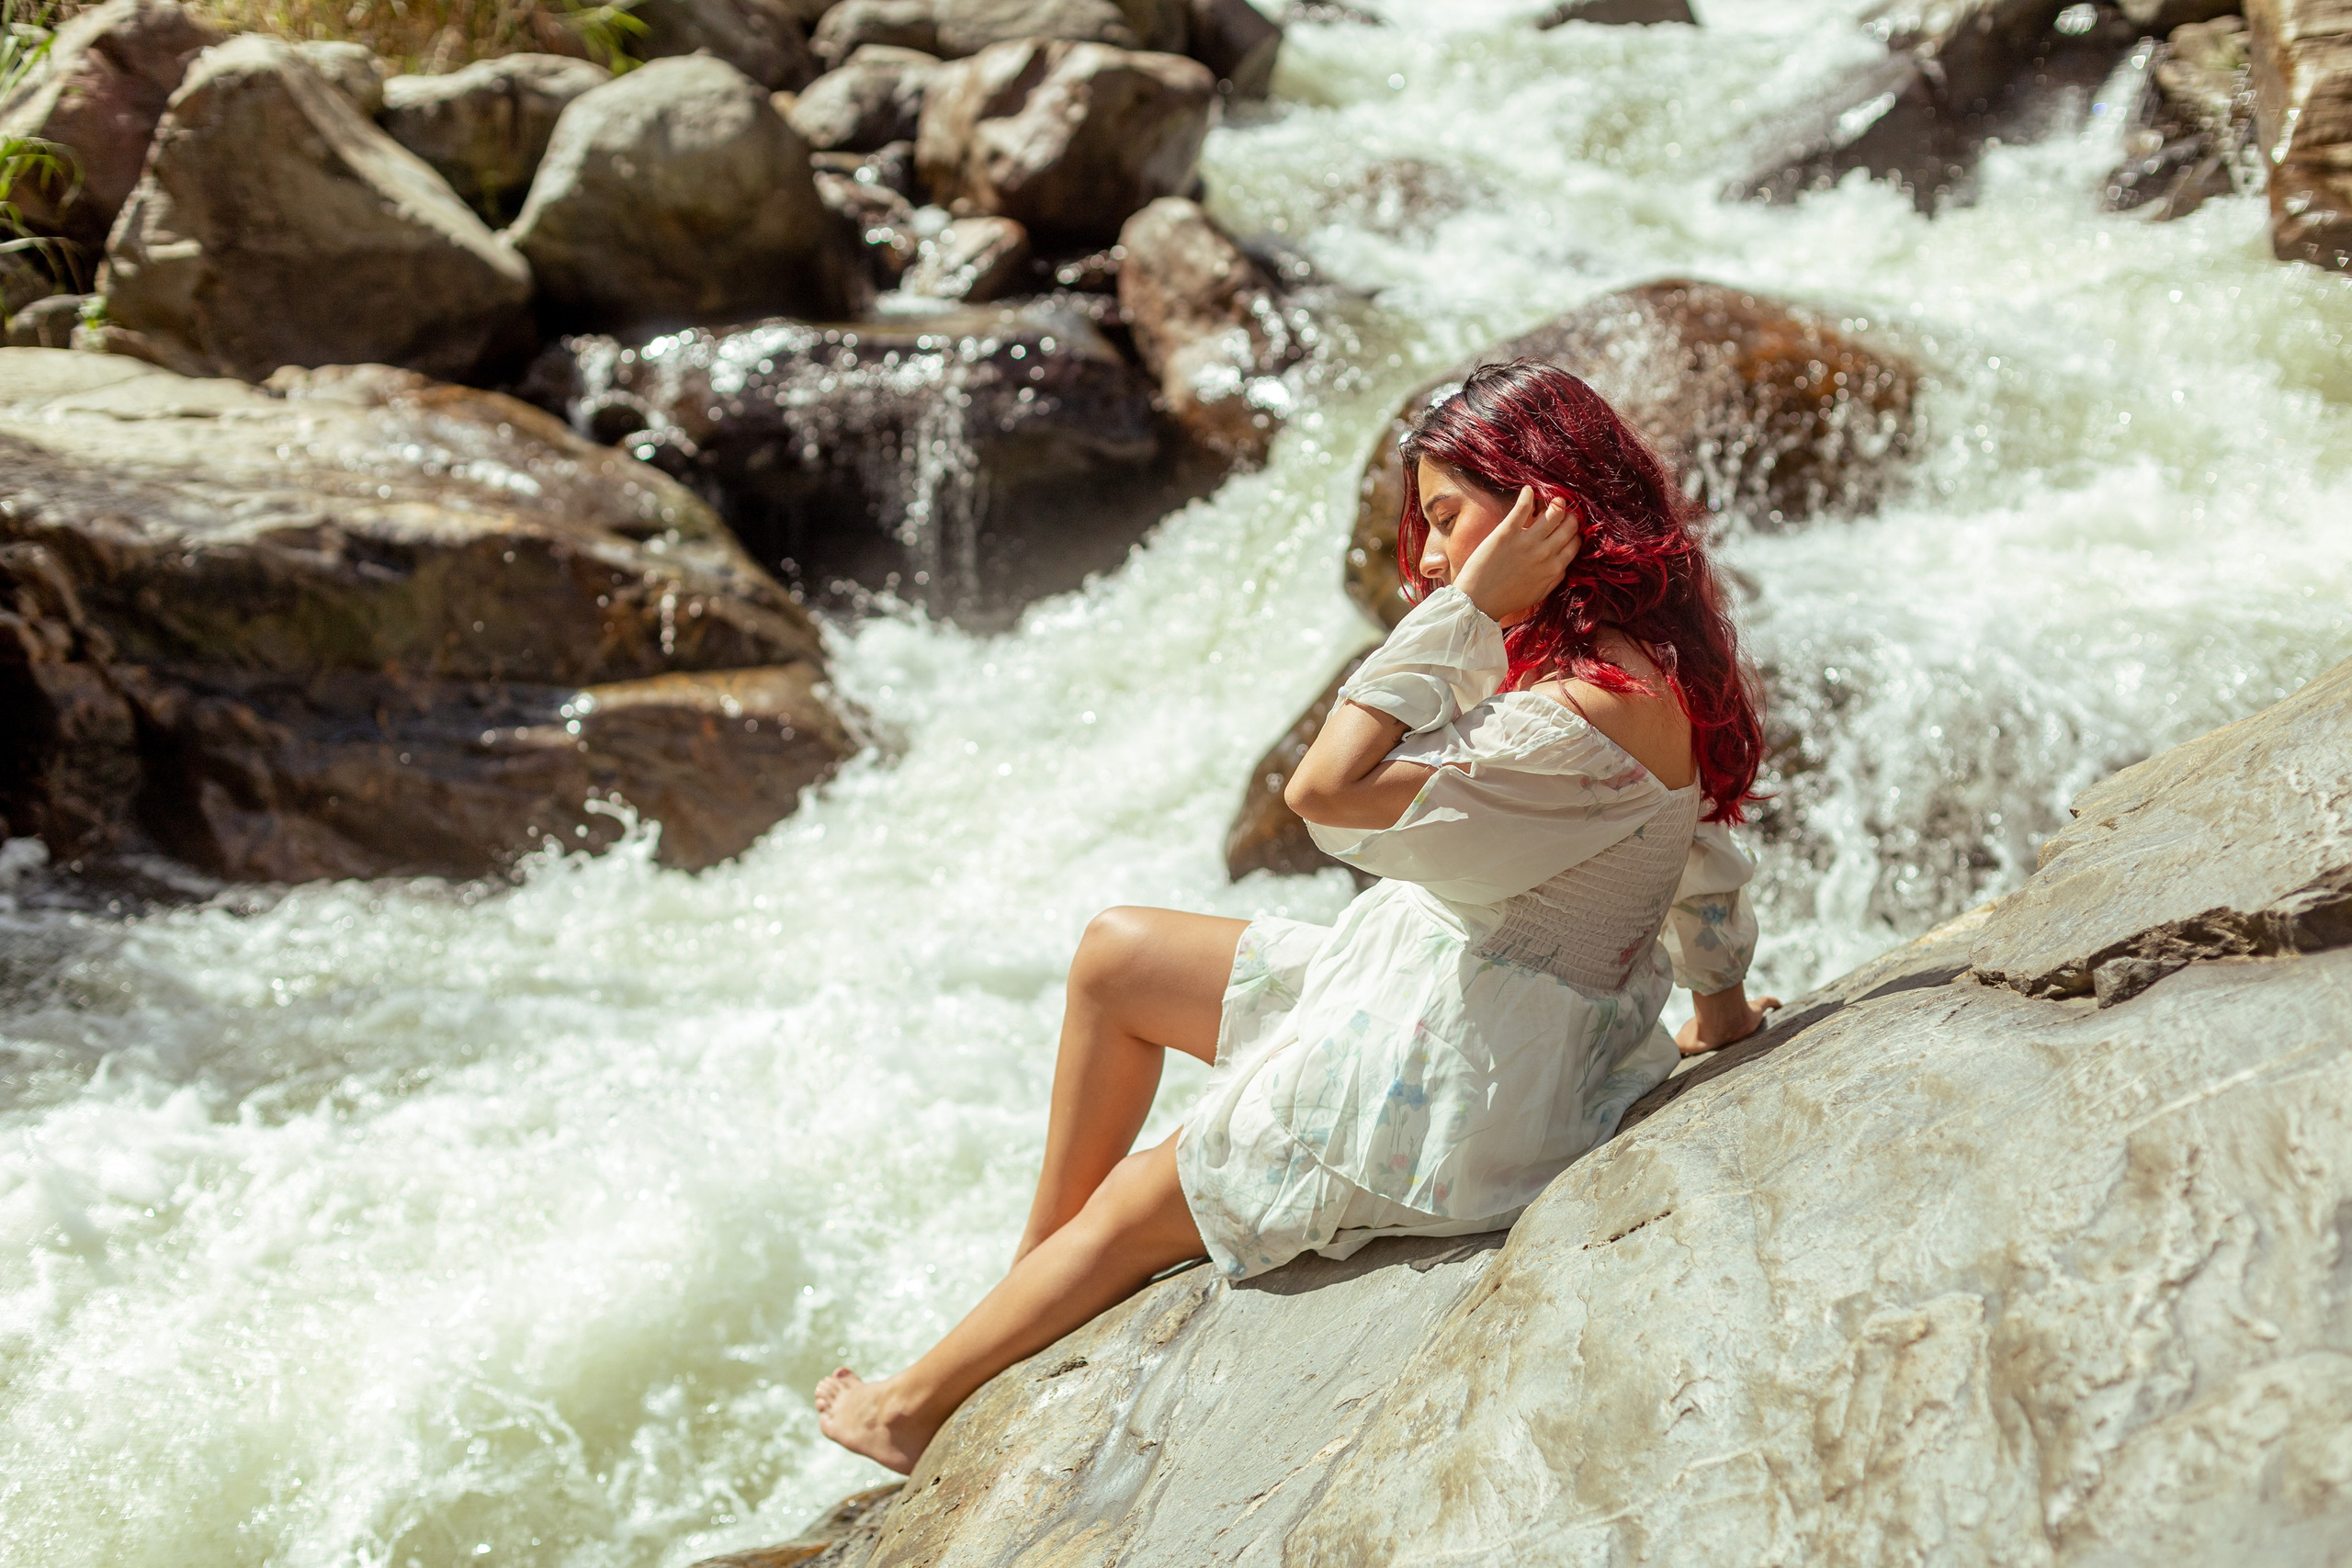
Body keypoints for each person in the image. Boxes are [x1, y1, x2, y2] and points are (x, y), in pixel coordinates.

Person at [815, 358, 1780, 1473]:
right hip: (1437, 979)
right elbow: (1702, 851)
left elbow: (1321, 792)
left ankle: (908, 1411)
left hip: (1479, 1076)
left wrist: (1468, 610)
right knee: (1115, 955)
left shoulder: (1578, 715)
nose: (1423, 560)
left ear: (1540, 507)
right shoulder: (1631, 657)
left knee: (1148, 1189)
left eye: (1445, 521)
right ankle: (1030, 1286)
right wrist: (1718, 1008)